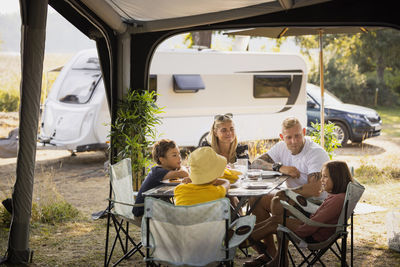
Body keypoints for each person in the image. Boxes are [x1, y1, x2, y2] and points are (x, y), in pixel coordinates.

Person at [242, 160, 353, 267]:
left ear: (337, 178)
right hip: (314, 227)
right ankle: (245, 237)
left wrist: (293, 229)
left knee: (276, 222)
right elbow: (319, 217)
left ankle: (244, 241)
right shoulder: (339, 196)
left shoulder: (337, 200)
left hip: (313, 234)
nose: (322, 180)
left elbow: (312, 226)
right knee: (276, 219)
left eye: (325, 176)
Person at [247, 116, 329, 258]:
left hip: (314, 206)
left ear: (303, 132)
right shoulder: (281, 147)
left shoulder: (315, 152)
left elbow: (316, 189)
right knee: (256, 199)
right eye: (289, 137)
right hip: (294, 200)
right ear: (282, 137)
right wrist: (279, 167)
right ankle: (270, 254)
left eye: (297, 136)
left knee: (279, 202)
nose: (294, 141)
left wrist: (286, 193)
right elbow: (255, 163)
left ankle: (280, 257)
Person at [132, 139, 189, 217]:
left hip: (153, 208)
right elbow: (184, 173)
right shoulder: (157, 171)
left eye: (179, 154)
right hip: (143, 213)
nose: (179, 157)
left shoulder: (166, 170)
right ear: (162, 160)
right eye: (174, 155)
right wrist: (182, 168)